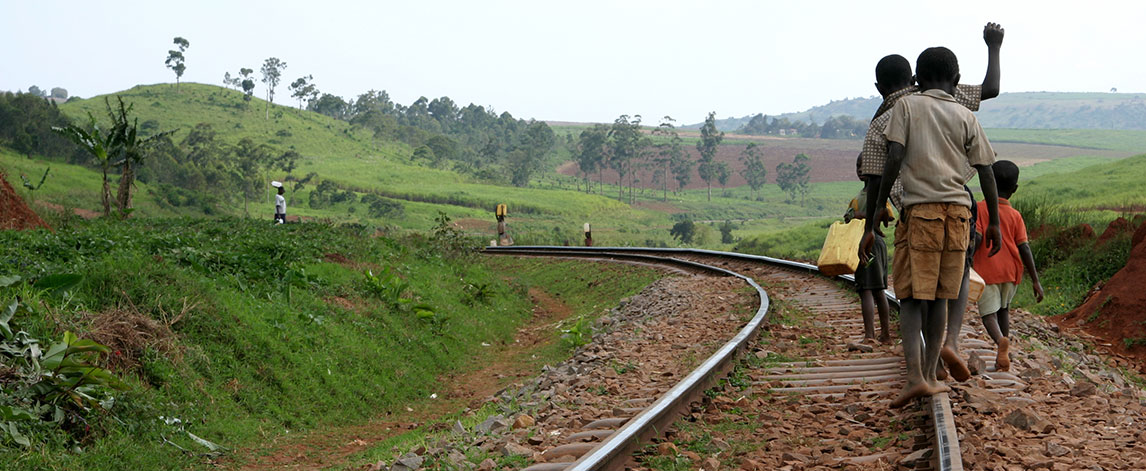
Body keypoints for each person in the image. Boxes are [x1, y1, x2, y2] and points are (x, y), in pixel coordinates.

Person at [860, 22, 1004, 382]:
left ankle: (922, 370)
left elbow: (879, 172)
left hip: (917, 207)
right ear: (954, 78)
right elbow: (991, 91)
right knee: (948, 287)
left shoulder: (890, 117)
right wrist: (994, 46)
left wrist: (873, 217)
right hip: (961, 207)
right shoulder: (958, 105)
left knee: (913, 293)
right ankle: (948, 344)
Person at [972, 160, 1044, 372]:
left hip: (987, 272)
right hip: (1011, 272)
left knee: (988, 315)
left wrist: (966, 259)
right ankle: (1002, 356)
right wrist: (1036, 281)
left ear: (988, 184)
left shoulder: (980, 209)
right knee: (1004, 309)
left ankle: (1000, 342)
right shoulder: (1016, 216)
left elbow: (976, 239)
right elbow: (1025, 248)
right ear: (1015, 189)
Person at [845, 154, 895, 343]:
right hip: (872, 244)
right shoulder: (868, 197)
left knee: (867, 289)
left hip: (866, 245)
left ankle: (870, 335)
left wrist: (860, 215)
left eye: (863, 165)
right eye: (857, 166)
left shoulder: (866, 199)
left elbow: (886, 217)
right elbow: (886, 218)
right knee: (878, 290)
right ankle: (885, 334)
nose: (860, 169)